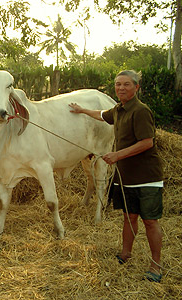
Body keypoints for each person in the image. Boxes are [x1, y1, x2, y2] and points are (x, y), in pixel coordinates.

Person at [68, 70, 164, 283]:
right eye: (118, 84)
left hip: (147, 177)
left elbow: (147, 142)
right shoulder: (119, 110)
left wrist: (117, 154)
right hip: (126, 176)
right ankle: (125, 254)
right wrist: (82, 110)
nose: (121, 88)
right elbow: (102, 115)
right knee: (129, 218)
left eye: (126, 84)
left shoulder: (141, 111)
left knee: (150, 221)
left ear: (137, 87)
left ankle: (156, 264)